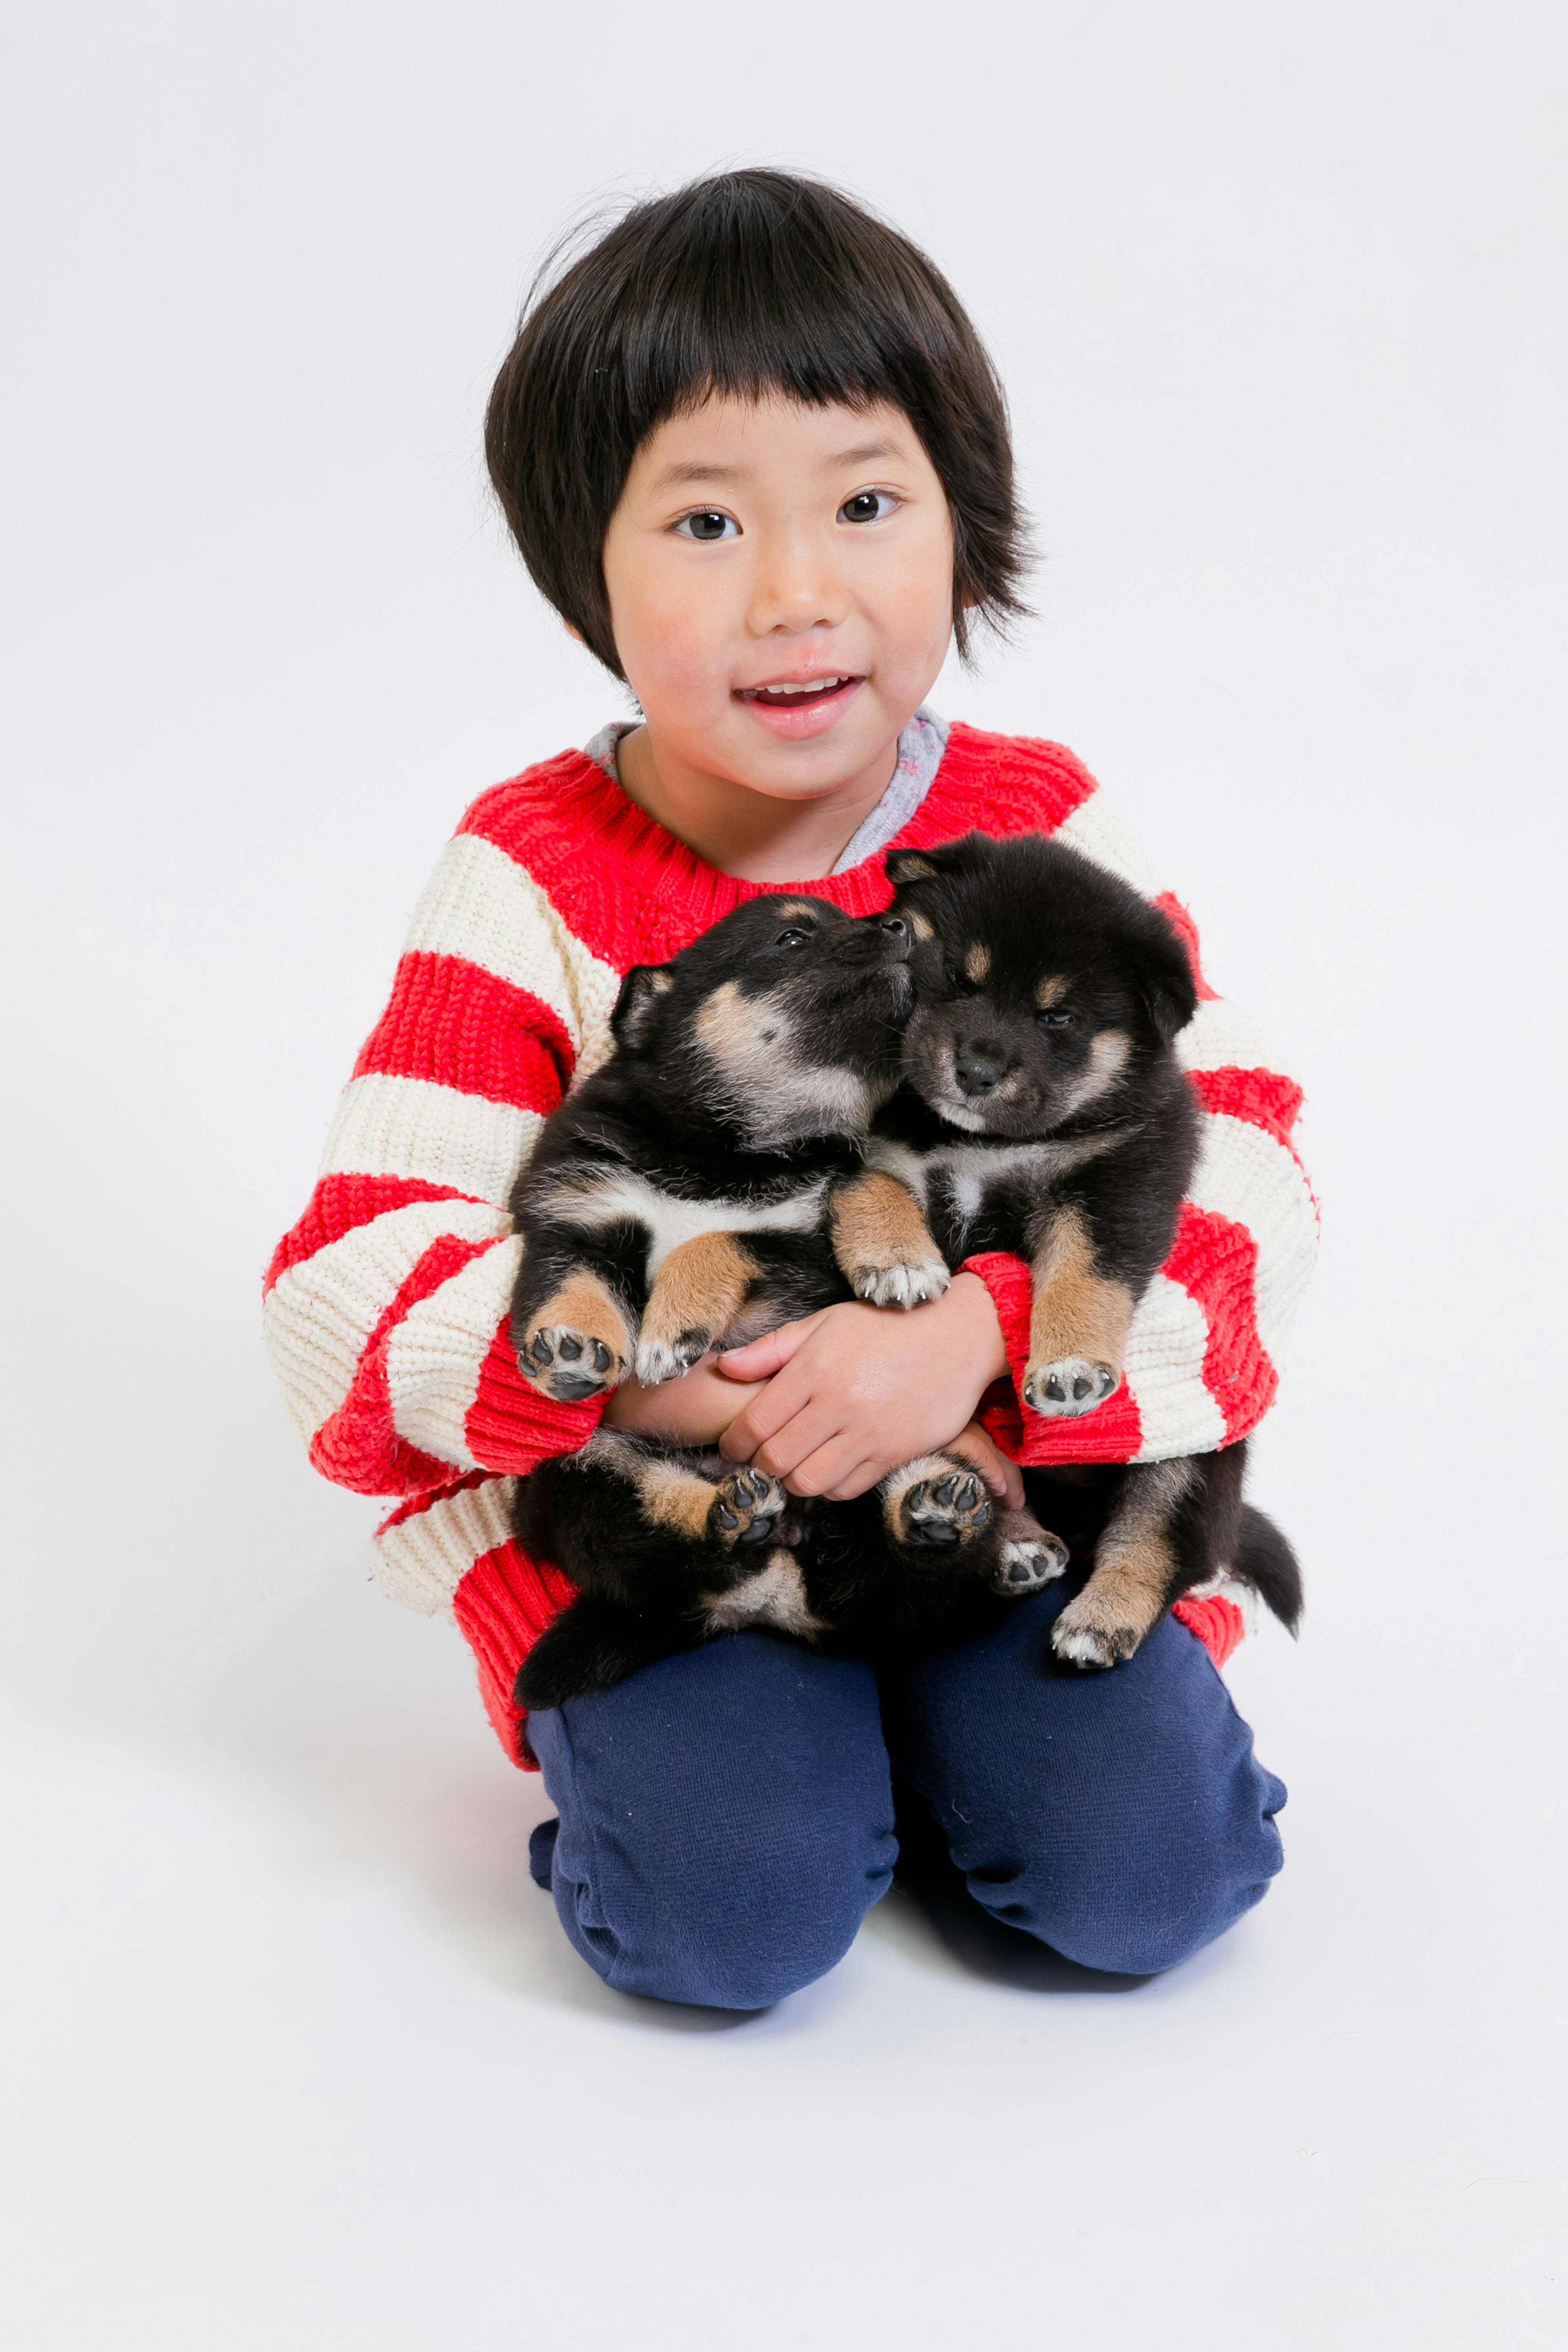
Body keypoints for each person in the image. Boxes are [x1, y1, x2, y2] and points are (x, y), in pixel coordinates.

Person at [265, 171, 1315, 2009]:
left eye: (863, 502)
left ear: (966, 526)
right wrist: (669, 1384)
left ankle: (950, 1745)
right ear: (579, 564)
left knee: (1148, 1885)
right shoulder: (532, 872)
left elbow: (1252, 1168)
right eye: (701, 522)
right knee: (727, 1926)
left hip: (993, 1488)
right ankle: (765, 1774)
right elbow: (347, 1276)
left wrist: (985, 1340)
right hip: (696, 1535)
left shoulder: (1036, 818)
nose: (795, 591)